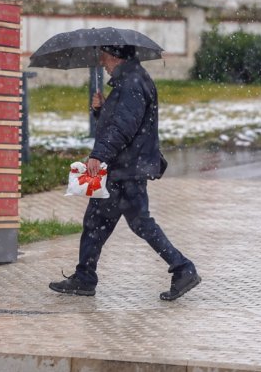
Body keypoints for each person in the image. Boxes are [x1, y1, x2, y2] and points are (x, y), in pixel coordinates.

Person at [49, 44, 201, 301]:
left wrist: (99, 155)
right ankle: (85, 277)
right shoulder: (131, 81)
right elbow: (123, 121)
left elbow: (123, 127)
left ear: (115, 56)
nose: (102, 61)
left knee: (134, 223)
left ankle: (183, 268)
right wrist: (101, 109)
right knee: (99, 222)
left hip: (126, 169)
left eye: (104, 56)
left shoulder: (131, 84)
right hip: (127, 167)